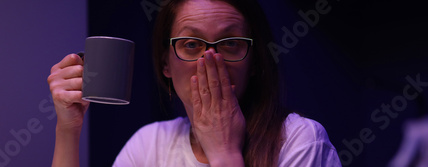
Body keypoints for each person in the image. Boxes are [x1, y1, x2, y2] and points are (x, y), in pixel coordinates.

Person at [48, 0, 342, 166]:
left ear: (253, 62)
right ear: (166, 63)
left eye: (230, 44)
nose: (210, 60)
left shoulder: (300, 140)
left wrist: (225, 153)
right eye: (191, 44)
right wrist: (68, 128)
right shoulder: (150, 144)